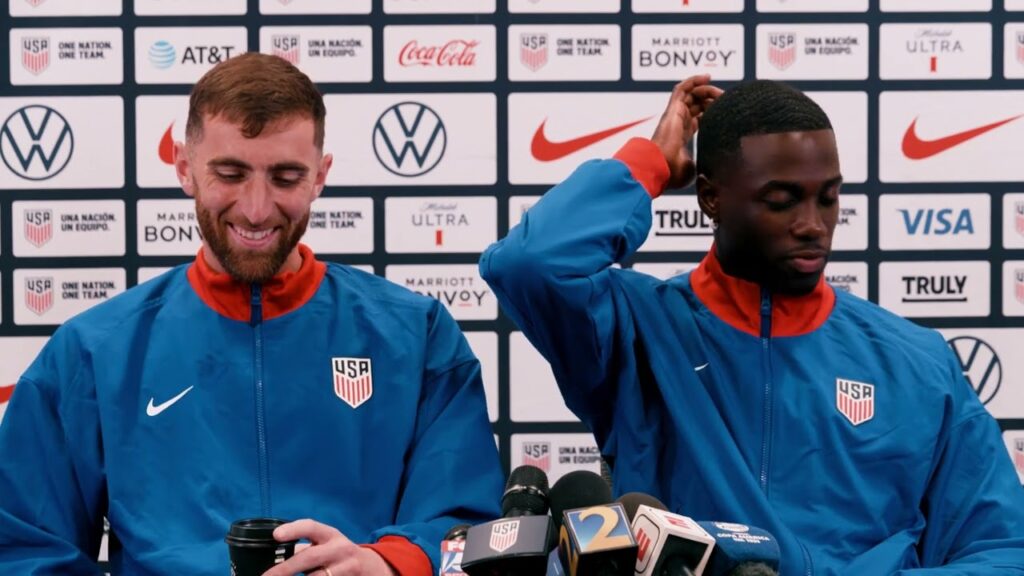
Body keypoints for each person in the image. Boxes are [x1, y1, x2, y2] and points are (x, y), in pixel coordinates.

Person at [480, 76, 1024, 574]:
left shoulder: (918, 361)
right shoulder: (640, 330)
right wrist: (651, 163)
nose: (814, 225)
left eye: (828, 197)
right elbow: (530, 264)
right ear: (712, 197)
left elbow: (1002, 549)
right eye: (781, 201)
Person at [0, 53, 503, 576]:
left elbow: (465, 526)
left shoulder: (416, 335)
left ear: (320, 176)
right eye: (231, 173)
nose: (257, 208)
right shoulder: (95, 350)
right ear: (183, 167)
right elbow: (23, 547)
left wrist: (387, 563)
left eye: (286, 177)